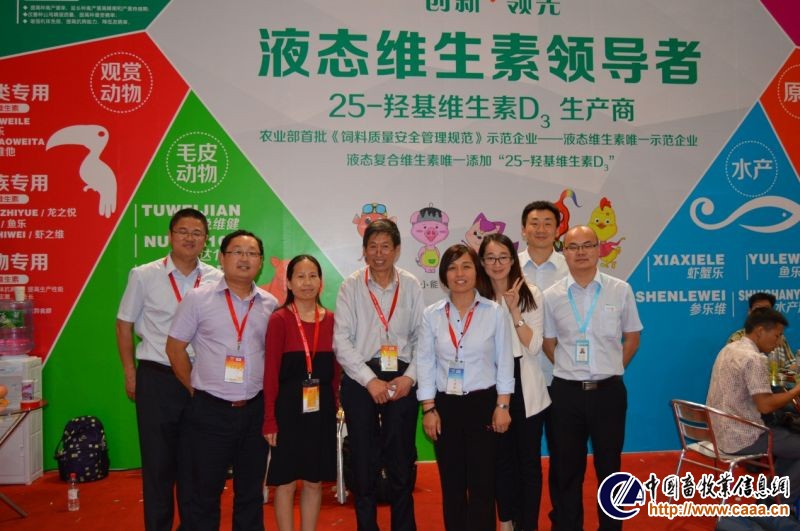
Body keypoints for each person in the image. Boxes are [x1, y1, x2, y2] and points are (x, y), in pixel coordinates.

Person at [115, 207, 222, 531]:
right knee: (158, 467)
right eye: (183, 232)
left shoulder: (216, 278)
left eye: (197, 233)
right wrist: (130, 372)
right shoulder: (144, 275)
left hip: (201, 380)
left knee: (196, 465)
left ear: (205, 239)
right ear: (170, 236)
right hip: (157, 378)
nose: (190, 238)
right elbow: (124, 324)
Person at [165, 230, 278, 531]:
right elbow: (174, 348)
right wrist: (195, 390)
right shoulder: (198, 299)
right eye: (237, 251)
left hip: (254, 411)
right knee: (203, 492)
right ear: (221, 257)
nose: (244, 258)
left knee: (250, 493)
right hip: (209, 412)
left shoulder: (270, 304)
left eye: (252, 253)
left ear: (261, 262)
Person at [542, 225, 642, 531]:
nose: (581, 252)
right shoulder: (551, 296)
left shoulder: (620, 289)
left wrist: (611, 368)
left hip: (608, 393)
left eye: (588, 245)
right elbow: (548, 342)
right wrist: (571, 368)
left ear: (599, 249)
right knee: (565, 469)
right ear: (564, 252)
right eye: (573, 247)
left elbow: (632, 337)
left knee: (610, 466)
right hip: (566, 394)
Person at [333, 218, 424, 531]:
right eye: (372, 246)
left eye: (386, 246)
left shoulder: (411, 284)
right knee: (363, 458)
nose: (379, 253)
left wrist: (410, 378)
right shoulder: (351, 286)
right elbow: (341, 340)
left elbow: (423, 338)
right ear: (364, 250)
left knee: (401, 457)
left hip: (401, 376)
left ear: (397, 250)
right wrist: (369, 380)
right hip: (361, 377)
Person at [418, 243, 514, 531]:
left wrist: (503, 405)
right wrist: (429, 409)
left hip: (483, 404)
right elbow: (425, 362)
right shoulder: (432, 314)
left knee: (483, 485)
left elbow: (504, 361)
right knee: (452, 485)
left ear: (477, 271)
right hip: (445, 406)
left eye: (466, 266)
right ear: (443, 275)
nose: (459, 274)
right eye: (452, 267)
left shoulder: (494, 312)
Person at [263, 255, 340, 531]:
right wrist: (269, 419)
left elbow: (336, 372)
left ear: (321, 281)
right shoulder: (279, 320)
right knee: (285, 484)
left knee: (314, 482)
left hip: (321, 411)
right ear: (288, 283)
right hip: (287, 412)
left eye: (312, 276)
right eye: (300, 276)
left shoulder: (332, 320)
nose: (307, 282)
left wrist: (337, 406)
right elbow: (270, 374)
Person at [479, 234, 549, 531]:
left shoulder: (530, 293)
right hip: (489, 384)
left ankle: (528, 524)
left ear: (512, 259)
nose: (497, 264)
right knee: (500, 459)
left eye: (503, 257)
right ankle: (506, 519)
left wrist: (515, 311)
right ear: (482, 262)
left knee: (528, 462)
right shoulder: (476, 296)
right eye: (490, 258)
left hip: (525, 384)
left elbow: (534, 346)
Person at [708, 307, 800, 504]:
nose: (778, 342)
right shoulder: (754, 358)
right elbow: (765, 406)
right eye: (777, 335)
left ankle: (770, 498)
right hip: (742, 436)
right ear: (760, 331)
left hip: (719, 432)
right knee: (793, 440)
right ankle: (775, 505)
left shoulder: (729, 349)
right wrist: (795, 391)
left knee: (791, 443)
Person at [518, 200, 569, 528]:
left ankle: (562, 520)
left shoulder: (570, 266)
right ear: (523, 229)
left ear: (557, 229)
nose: (540, 229)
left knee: (564, 458)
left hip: (561, 377)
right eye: (534, 223)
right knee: (525, 460)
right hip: (522, 380)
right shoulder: (508, 267)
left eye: (547, 223)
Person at [728, 292, 794, 368]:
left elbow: (791, 365)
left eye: (766, 310)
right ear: (750, 312)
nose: (763, 314)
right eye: (758, 310)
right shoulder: (736, 340)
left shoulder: (779, 337)